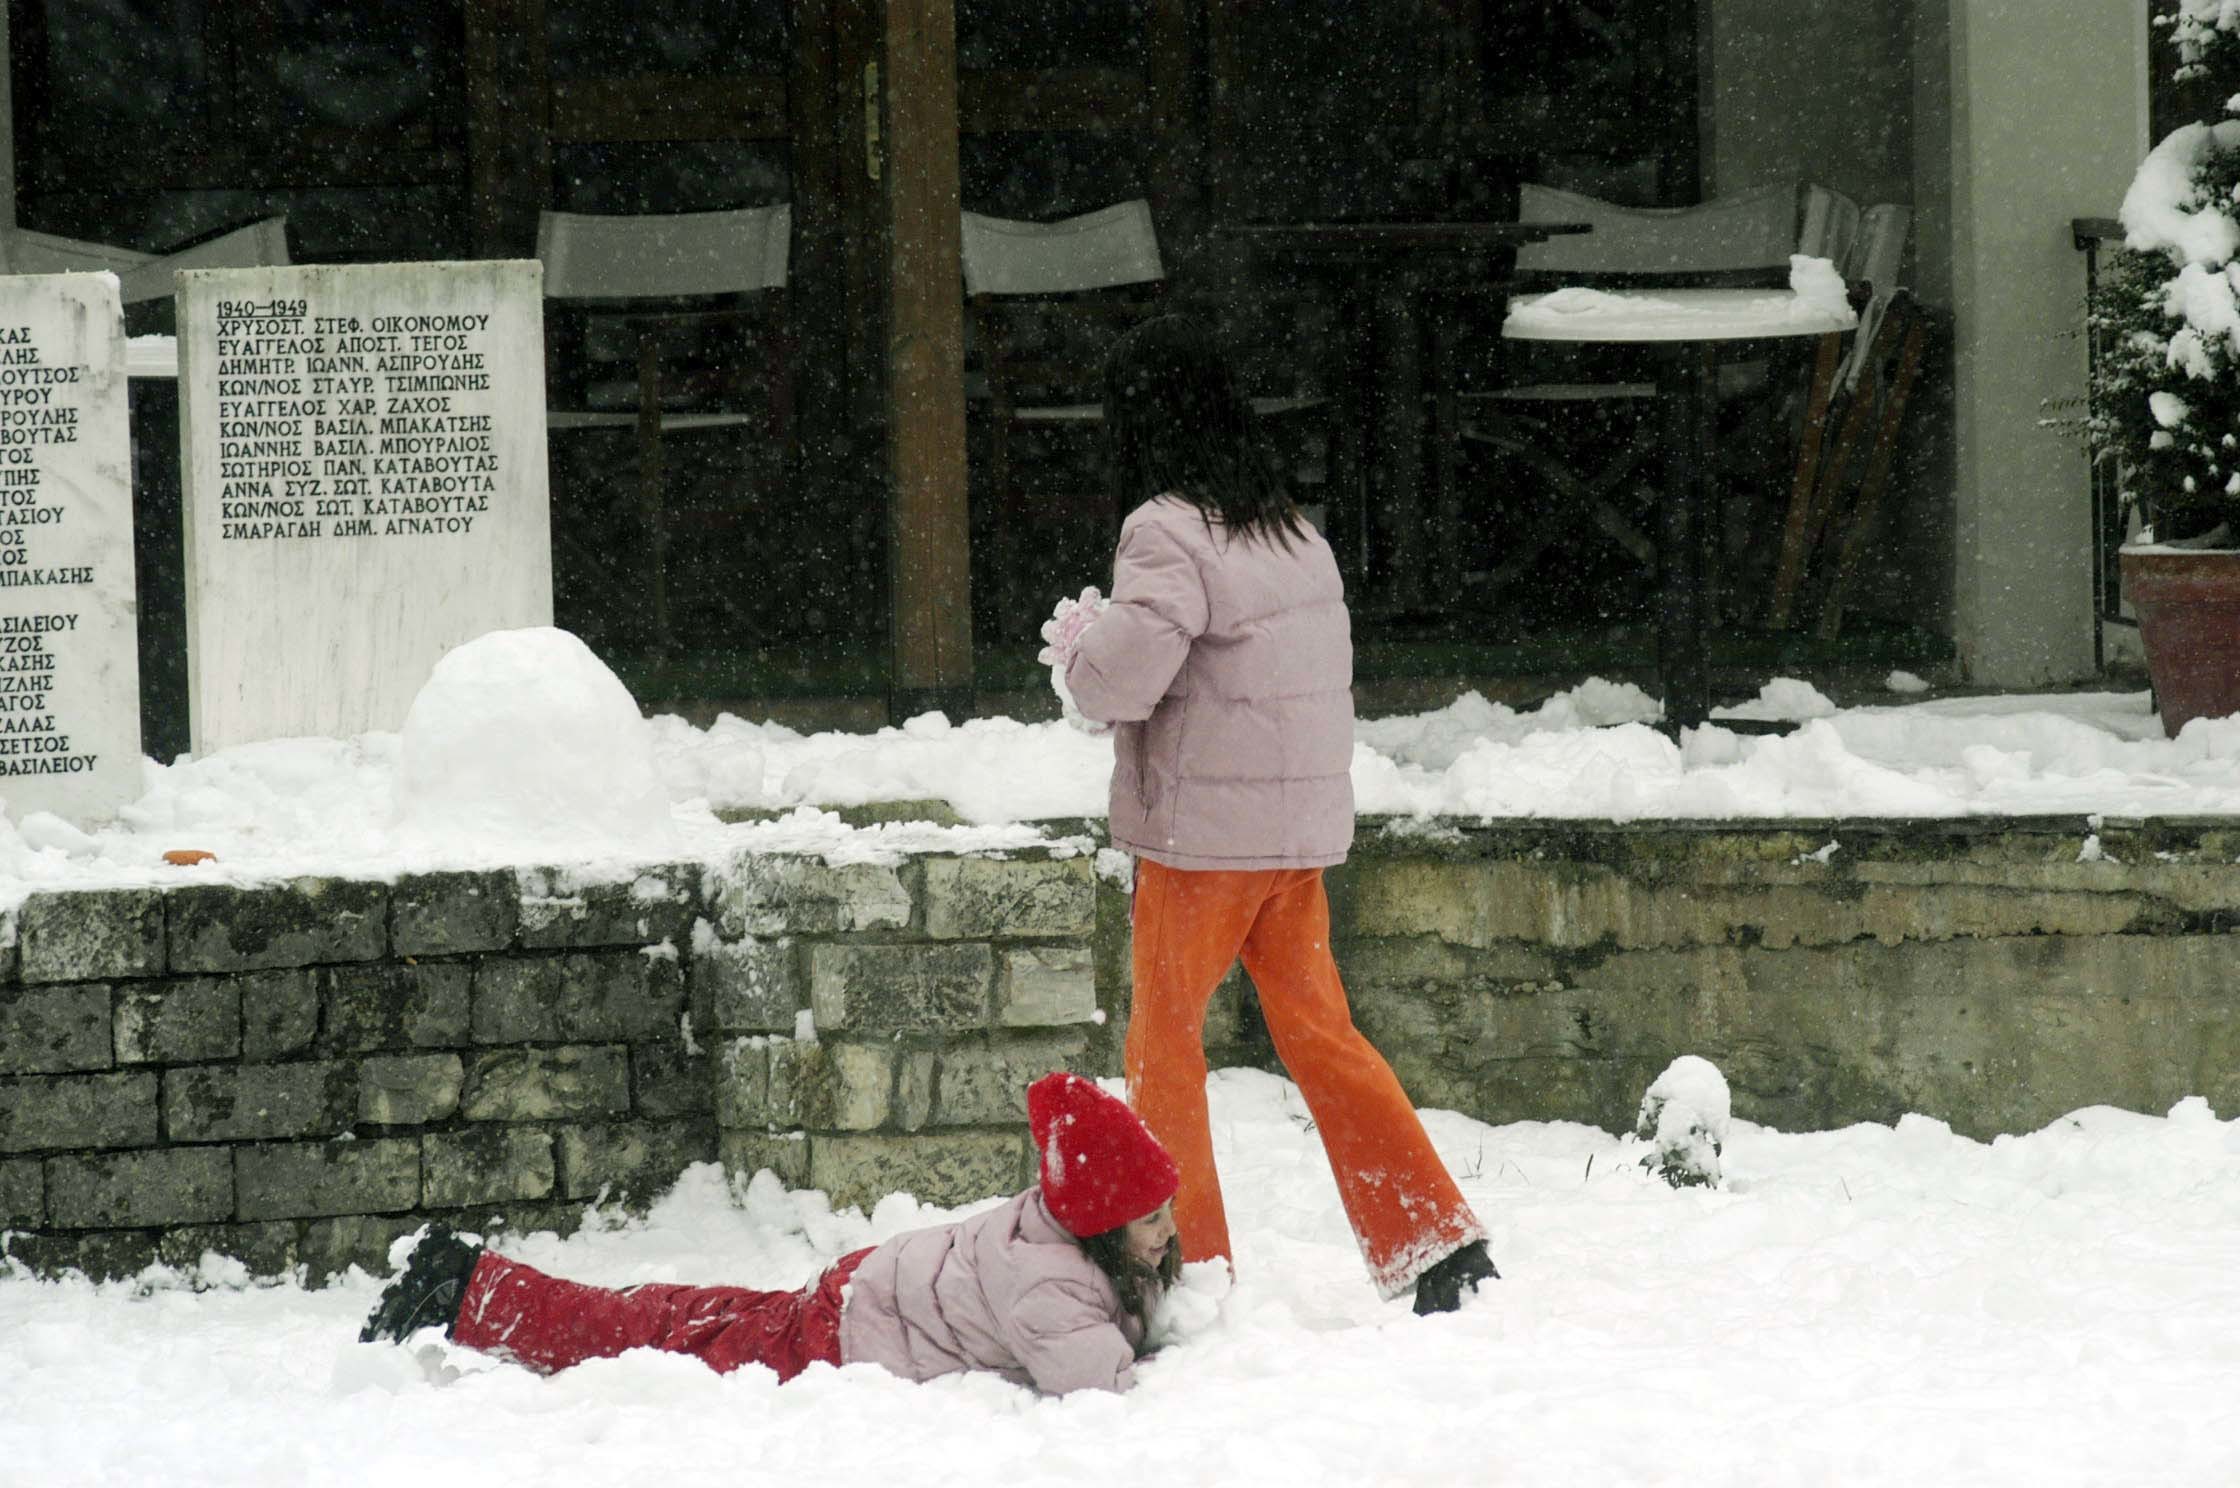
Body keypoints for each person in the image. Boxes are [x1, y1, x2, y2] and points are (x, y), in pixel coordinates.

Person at [1050, 313, 1499, 1316]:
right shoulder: (1293, 531)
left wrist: (1078, 641)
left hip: (1200, 845)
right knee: (1322, 1036)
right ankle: (1434, 1242)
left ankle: (1181, 1270)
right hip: (1293, 842)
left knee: (1162, 1047)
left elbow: (1116, 686)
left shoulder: (1161, 529)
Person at [358, 1071, 1181, 1396]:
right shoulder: (1052, 1285)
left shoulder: (1055, 1222)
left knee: (677, 1319)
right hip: (841, 1336)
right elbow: (1098, 1384)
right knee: (652, 1344)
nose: (1169, 1232)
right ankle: (466, 1290)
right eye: (1151, 1219)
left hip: (862, 1295)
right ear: (1100, 1227)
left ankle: (473, 1282)